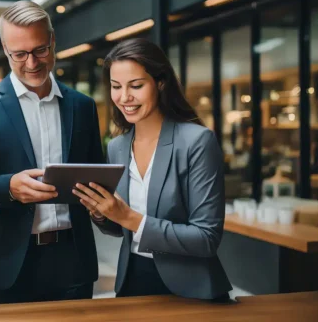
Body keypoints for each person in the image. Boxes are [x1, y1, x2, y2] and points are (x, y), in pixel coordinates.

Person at [0, 0, 104, 304]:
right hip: (6, 263)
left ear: (53, 42)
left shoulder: (83, 107)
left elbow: (96, 176)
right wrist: (9, 188)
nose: (31, 63)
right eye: (19, 54)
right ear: (5, 50)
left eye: (40, 50)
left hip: (74, 260)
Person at [73, 38, 232, 300]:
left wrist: (128, 217)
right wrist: (103, 213)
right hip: (131, 281)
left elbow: (207, 238)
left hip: (191, 288)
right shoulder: (117, 147)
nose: (124, 97)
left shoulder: (196, 141)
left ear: (160, 82)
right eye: (116, 87)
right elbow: (121, 229)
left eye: (136, 85)